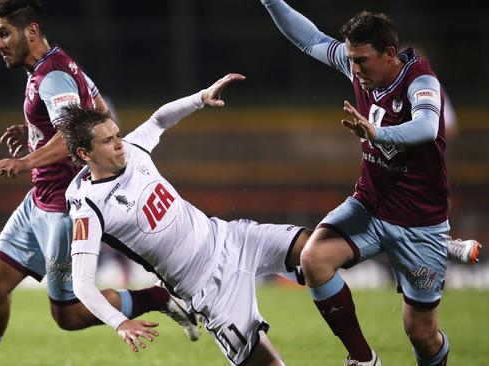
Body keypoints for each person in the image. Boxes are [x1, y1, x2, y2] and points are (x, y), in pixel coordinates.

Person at [0, 1, 200, 365]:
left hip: (62, 211)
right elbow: (97, 112)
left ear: (30, 31)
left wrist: (26, 160)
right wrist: (34, 133)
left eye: (3, 34)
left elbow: (69, 137)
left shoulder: (54, 76)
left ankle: (154, 298)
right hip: (37, 203)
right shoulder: (53, 66)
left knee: (69, 316)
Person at [259, 0, 480, 364]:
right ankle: (363, 359)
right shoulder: (355, 65)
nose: (355, 68)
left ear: (389, 53)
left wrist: (377, 133)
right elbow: (308, 39)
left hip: (420, 224)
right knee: (314, 260)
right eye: (351, 59)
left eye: (362, 60)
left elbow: (426, 128)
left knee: (421, 335)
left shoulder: (419, 79)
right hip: (370, 208)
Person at [61, 73, 311, 366]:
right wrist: (119, 322)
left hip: (231, 239)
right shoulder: (88, 206)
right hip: (209, 289)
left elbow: (158, 120)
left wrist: (200, 98)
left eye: (117, 134)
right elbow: (82, 284)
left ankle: (360, 357)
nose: (119, 144)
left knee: (320, 249)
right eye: (108, 141)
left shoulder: (132, 150)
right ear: (84, 153)